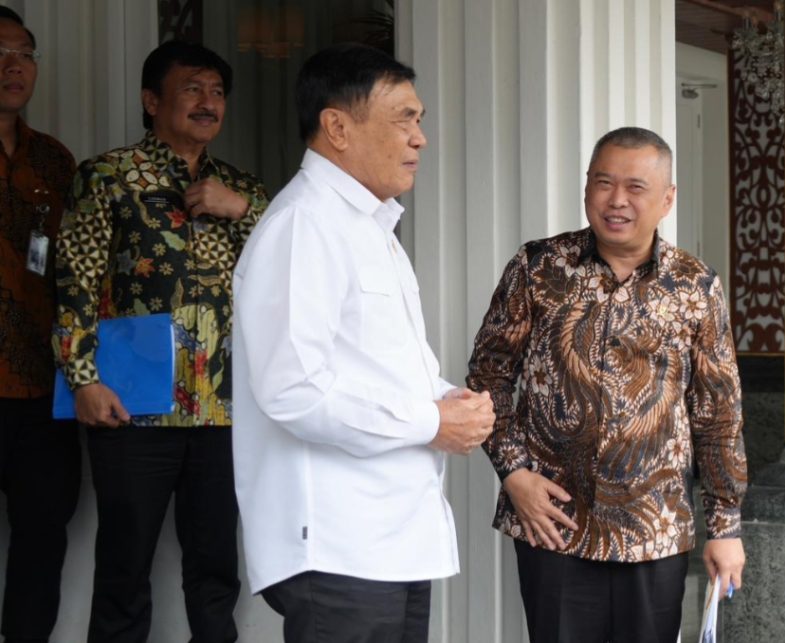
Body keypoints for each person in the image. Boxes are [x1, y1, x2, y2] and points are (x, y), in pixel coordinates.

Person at [232, 43, 495, 643]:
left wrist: (449, 400)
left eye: (419, 119)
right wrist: (431, 421)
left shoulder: (372, 228)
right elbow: (293, 390)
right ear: (338, 128)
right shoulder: (303, 225)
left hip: (393, 539)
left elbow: (382, 368)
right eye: (403, 119)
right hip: (337, 545)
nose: (419, 138)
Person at [467, 127, 748, 643]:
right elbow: (489, 375)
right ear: (586, 188)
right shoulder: (538, 267)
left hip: (654, 530)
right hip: (554, 525)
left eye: (635, 187)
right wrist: (513, 473)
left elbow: (718, 412)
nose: (616, 200)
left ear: (667, 199)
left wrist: (725, 526)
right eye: (603, 183)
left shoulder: (695, 285)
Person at [53, 40, 268, 643]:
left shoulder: (241, 188)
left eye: (217, 92)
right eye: (192, 89)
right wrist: (83, 378)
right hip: (132, 408)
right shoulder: (107, 177)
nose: (208, 102)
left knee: (216, 567)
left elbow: (293, 268)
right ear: (152, 101)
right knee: (124, 567)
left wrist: (242, 210)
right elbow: (74, 281)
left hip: (223, 409)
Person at [0, 7, 80, 642]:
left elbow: (74, 269)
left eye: (25, 53)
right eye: (0, 53)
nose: (14, 66)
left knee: (43, 533)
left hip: (41, 384)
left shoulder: (53, 160)